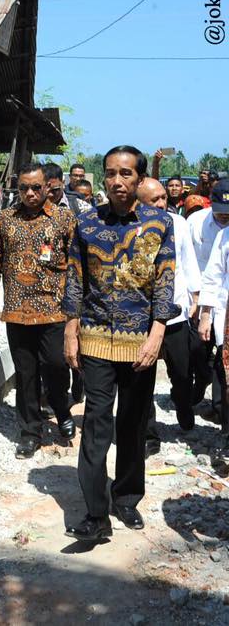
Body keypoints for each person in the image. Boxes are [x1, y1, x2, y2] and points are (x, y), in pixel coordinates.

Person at [63, 146, 178, 541]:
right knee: (96, 422)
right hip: (94, 339)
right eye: (110, 173)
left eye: (126, 174)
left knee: (132, 422)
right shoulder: (87, 223)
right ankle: (96, 514)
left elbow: (165, 281)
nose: (117, 181)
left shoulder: (160, 223)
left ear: (139, 178)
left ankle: (126, 499)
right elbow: (75, 280)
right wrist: (70, 332)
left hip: (140, 342)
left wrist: (157, 335)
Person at [0, 162, 77, 459]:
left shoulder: (64, 219)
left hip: (54, 311)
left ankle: (61, 408)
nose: (30, 193)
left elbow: (78, 266)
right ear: (16, 188)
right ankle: (30, 432)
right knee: (26, 375)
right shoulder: (7, 220)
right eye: (24, 188)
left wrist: (77, 309)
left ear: (48, 187)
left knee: (57, 368)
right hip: (18, 313)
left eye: (36, 187)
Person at [138, 178, 201, 455]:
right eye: (155, 200)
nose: (162, 203)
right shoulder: (131, 227)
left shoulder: (180, 224)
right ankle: (149, 433)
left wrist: (195, 297)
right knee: (141, 378)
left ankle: (184, 407)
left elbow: (189, 262)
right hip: (141, 316)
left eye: (164, 198)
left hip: (174, 313)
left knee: (182, 371)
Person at [187, 180, 229, 410]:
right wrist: (199, 305)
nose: (224, 217)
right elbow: (191, 262)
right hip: (200, 298)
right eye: (220, 212)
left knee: (223, 358)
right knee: (197, 349)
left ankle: (219, 407)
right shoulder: (195, 222)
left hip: (222, 304)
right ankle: (200, 380)